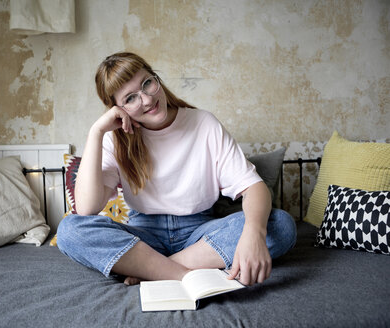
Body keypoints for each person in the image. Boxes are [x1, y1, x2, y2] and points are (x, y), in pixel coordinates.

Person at [57, 52, 296, 286]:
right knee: (69, 230)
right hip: (143, 239)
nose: (148, 100)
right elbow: (87, 209)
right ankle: (183, 275)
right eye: (130, 98)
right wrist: (96, 132)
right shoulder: (115, 139)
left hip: (200, 235)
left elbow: (253, 187)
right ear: (116, 109)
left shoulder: (203, 123)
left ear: (156, 78)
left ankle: (153, 271)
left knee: (279, 225)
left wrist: (253, 233)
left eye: (147, 84)